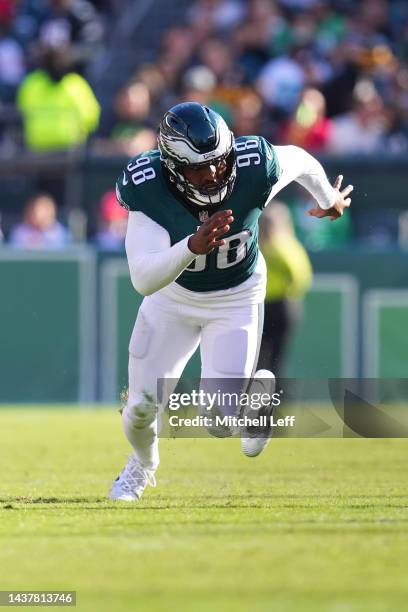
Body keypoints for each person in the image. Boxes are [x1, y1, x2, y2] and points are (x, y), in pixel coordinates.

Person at [110, 101, 352, 502]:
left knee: (220, 420)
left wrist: (328, 198)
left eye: (218, 163)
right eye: (197, 168)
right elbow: (143, 277)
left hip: (235, 296)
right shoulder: (148, 186)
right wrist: (191, 246)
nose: (211, 175)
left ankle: (250, 406)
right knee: (140, 408)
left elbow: (302, 160)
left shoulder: (254, 166)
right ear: (172, 167)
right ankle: (142, 466)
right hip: (172, 298)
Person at [257, 202, 312, 376]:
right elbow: (302, 276)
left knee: (267, 356)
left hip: (276, 305)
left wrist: (288, 293)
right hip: (278, 304)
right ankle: (269, 396)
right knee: (271, 356)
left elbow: (297, 275)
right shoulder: (289, 243)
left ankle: (270, 396)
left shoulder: (277, 246)